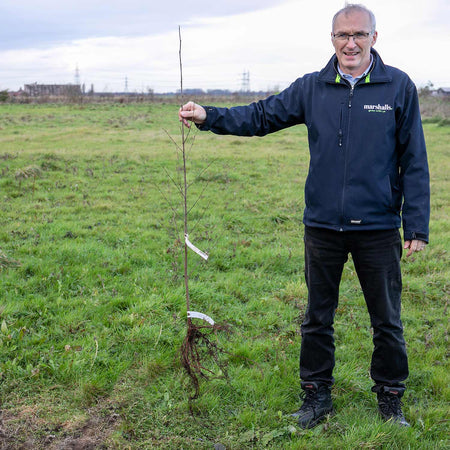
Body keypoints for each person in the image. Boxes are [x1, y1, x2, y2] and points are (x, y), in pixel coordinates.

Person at [178, 3, 429, 429]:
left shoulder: (398, 87)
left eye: (359, 35)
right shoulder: (312, 87)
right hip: (323, 226)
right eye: (342, 35)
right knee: (317, 317)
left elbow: (415, 160)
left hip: (379, 226)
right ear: (332, 39)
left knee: (387, 320)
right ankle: (316, 397)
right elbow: (261, 115)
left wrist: (416, 225)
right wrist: (208, 117)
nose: (350, 43)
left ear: (374, 37)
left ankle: (390, 400)